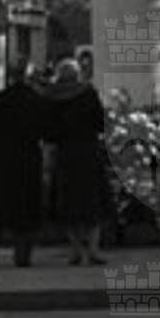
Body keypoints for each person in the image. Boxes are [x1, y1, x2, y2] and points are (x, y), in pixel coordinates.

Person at [0, 60, 46, 267]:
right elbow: (46, 131)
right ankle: (22, 256)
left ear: (10, 77)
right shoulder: (37, 101)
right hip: (28, 159)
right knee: (26, 207)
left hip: (2, 159)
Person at [41, 57, 112, 264]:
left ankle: (76, 250)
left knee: (69, 203)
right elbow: (101, 122)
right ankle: (93, 249)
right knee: (93, 201)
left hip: (66, 154)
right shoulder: (88, 93)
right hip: (89, 152)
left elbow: (49, 131)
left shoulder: (52, 97)